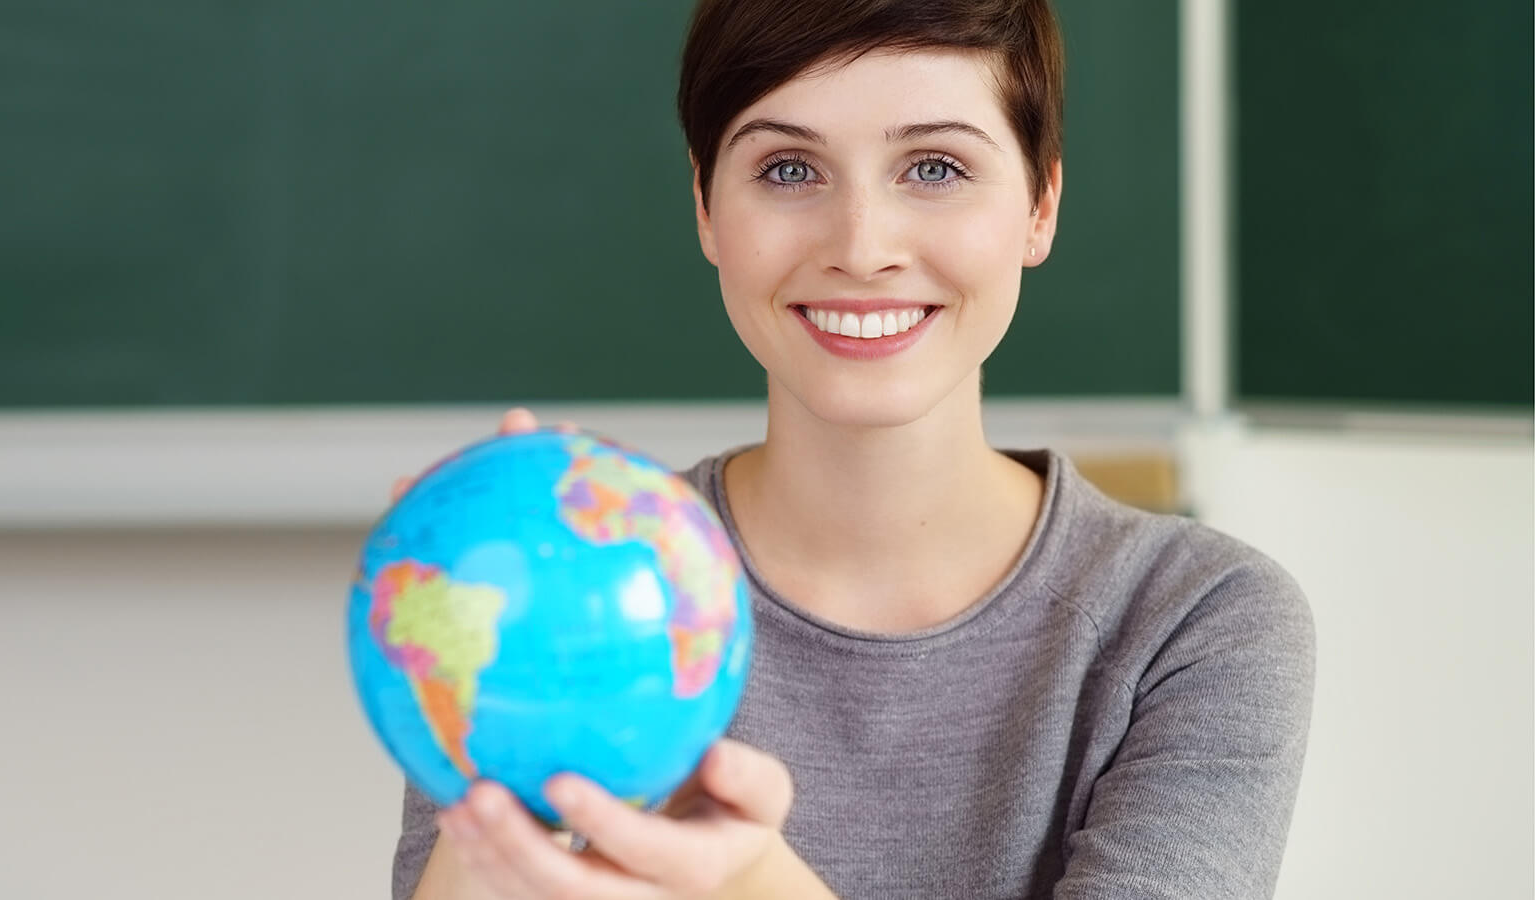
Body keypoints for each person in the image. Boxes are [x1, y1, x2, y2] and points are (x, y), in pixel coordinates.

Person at [388, 1, 1315, 897]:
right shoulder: (578, 588)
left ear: (1040, 203)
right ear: (706, 205)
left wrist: (747, 880)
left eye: (937, 168)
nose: (861, 247)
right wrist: (500, 661)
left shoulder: (1195, 622)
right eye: (789, 170)